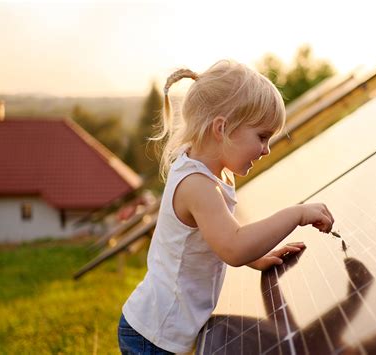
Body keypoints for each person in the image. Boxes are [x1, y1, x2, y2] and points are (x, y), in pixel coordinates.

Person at [118, 59, 335, 354]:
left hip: (159, 330)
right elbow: (232, 247)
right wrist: (295, 214)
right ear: (222, 128)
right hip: (153, 336)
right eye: (261, 136)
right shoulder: (197, 185)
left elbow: (218, 237)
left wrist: (257, 257)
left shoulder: (210, 173)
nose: (266, 149)